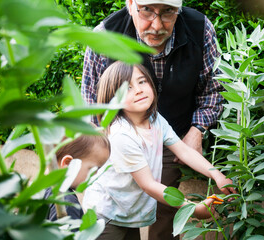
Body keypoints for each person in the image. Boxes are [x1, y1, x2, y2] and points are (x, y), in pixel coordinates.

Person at [81, 0, 224, 239]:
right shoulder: (105, 35)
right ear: (130, 4)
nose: (157, 25)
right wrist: (193, 208)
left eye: (168, 12)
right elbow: (90, 103)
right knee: (124, 221)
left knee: (164, 214)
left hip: (170, 131)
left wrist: (200, 136)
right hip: (105, 214)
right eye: (147, 10)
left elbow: (215, 90)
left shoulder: (199, 28)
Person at [82, 61, 235, 240]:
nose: (138, 90)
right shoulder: (121, 135)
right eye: (127, 88)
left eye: (142, 81)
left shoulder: (155, 119)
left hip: (127, 214)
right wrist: (191, 208)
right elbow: (148, 184)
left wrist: (217, 175)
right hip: (105, 216)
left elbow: (183, 151)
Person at [44, 133, 110, 221]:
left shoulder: (41, 188)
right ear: (68, 164)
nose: (96, 175)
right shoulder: (67, 203)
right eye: (93, 169)